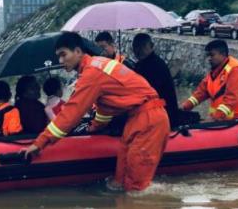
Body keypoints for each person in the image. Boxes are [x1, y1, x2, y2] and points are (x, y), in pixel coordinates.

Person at [24, 32, 170, 192]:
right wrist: (94, 127)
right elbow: (104, 109)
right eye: (58, 56)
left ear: (78, 52)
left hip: (148, 120)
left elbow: (72, 112)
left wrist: (40, 143)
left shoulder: (92, 74)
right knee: (119, 181)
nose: (60, 60)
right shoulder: (97, 66)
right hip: (137, 120)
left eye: (63, 54)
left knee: (136, 188)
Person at [181, 39, 238, 122]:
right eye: (208, 55)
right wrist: (184, 107)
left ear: (223, 54)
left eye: (212, 55)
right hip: (228, 120)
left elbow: (232, 98)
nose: (209, 59)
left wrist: (215, 117)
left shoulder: (236, 70)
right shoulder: (215, 73)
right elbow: (199, 93)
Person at [132, 33, 180, 127]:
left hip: (163, 113)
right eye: (135, 47)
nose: (138, 50)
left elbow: (148, 92)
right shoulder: (139, 65)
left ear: (151, 46)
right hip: (149, 112)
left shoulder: (157, 65)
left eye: (142, 46)